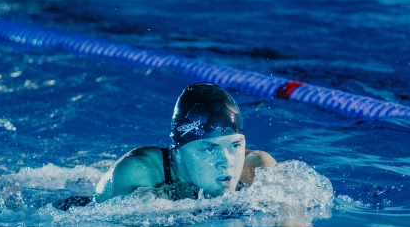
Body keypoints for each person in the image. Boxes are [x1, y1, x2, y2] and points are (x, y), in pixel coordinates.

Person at [94, 83, 275, 202]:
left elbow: (288, 216)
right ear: (178, 152)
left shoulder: (256, 169)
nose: (228, 162)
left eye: (235, 146)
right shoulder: (137, 174)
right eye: (210, 149)